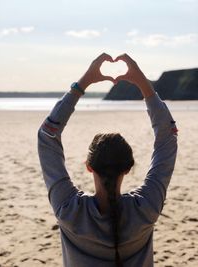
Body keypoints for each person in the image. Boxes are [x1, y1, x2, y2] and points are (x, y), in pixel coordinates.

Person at [38, 53, 178, 267]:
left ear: (89, 167)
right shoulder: (146, 207)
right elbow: (168, 137)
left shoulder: (69, 210)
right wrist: (143, 84)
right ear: (129, 168)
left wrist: (82, 83)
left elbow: (47, 137)